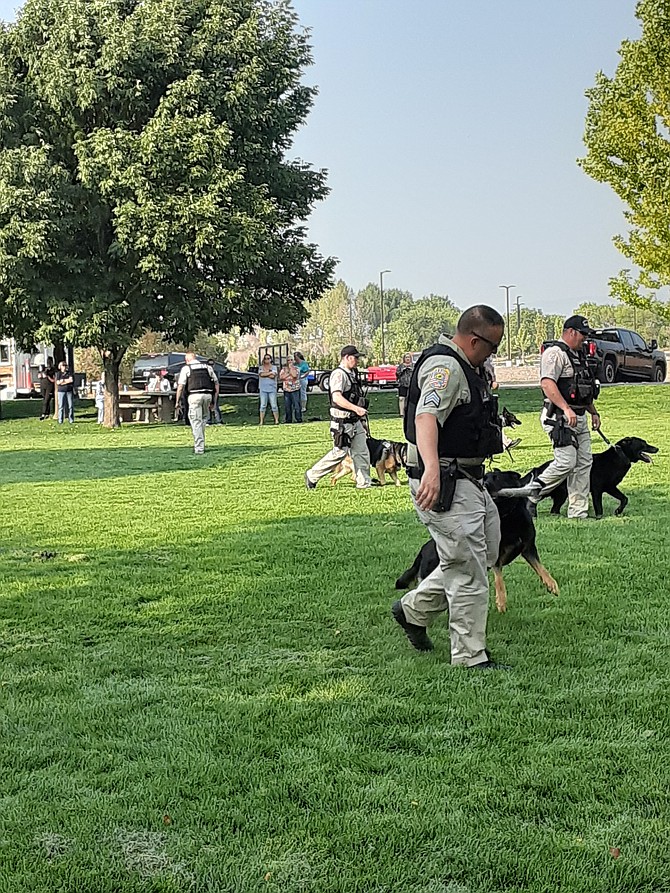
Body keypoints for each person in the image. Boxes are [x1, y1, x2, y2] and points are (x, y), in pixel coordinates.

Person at [391, 306, 506, 669]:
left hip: (468, 479)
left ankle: (412, 610)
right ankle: (471, 658)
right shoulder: (447, 368)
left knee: (482, 553)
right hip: (447, 482)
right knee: (468, 569)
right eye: (493, 347)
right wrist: (432, 470)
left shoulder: (465, 366)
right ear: (475, 340)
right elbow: (426, 417)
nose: (493, 354)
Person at [527, 315, 601, 519]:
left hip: (579, 416)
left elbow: (583, 389)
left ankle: (578, 512)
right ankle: (531, 495)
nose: (585, 339)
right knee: (566, 462)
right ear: (570, 332)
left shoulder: (580, 356)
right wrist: (566, 408)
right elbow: (547, 384)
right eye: (582, 334)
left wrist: (593, 412)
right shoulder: (554, 354)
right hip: (559, 417)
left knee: (584, 463)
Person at [305, 345, 371, 489]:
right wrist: (356, 408)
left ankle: (364, 482)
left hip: (355, 420)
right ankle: (312, 475)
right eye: (356, 357)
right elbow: (336, 397)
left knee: (362, 452)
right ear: (347, 357)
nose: (358, 361)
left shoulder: (352, 374)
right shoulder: (339, 374)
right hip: (342, 421)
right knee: (339, 453)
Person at [175, 352, 219, 454]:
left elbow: (181, 386)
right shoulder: (207, 367)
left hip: (194, 396)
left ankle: (199, 448)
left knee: (195, 421)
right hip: (207, 396)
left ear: (187, 360)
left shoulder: (186, 368)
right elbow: (216, 384)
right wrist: (214, 400)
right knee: (203, 420)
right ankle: (201, 443)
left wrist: (177, 401)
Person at [483, 357, 521, 452]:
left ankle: (505, 441)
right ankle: (505, 442)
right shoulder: (485, 360)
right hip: (485, 394)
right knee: (492, 421)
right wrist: (493, 381)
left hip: (485, 392)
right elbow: (489, 371)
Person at [258, 353, 280, 425]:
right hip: (263, 388)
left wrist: (266, 373)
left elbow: (273, 376)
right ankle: (261, 421)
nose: (267, 360)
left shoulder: (274, 367)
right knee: (263, 405)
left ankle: (276, 420)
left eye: (268, 358)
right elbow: (261, 374)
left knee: (274, 405)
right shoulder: (261, 367)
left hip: (272, 388)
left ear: (271, 359)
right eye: (265, 358)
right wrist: (269, 373)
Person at [280, 357, 302, 423]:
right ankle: (288, 419)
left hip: (295, 389)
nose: (290, 361)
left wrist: (289, 370)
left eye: (291, 360)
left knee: (296, 405)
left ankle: (298, 419)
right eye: (288, 360)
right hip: (287, 389)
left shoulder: (297, 368)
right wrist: (289, 374)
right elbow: (281, 377)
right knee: (287, 406)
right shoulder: (283, 369)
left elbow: (294, 375)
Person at [396, 352, 414, 418]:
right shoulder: (400, 366)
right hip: (402, 384)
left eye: (408, 357)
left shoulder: (413, 365)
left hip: (411, 384)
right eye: (406, 357)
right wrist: (403, 370)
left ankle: (410, 412)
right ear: (404, 358)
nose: (407, 359)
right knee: (401, 398)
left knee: (410, 398)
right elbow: (397, 374)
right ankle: (401, 413)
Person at [207, 359, 222, 424]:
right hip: (208, 391)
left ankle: (219, 420)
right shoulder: (206, 373)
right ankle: (208, 420)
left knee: (215, 406)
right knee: (208, 406)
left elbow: (217, 383)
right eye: (209, 364)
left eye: (212, 364)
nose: (211, 366)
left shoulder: (216, 373)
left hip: (215, 391)